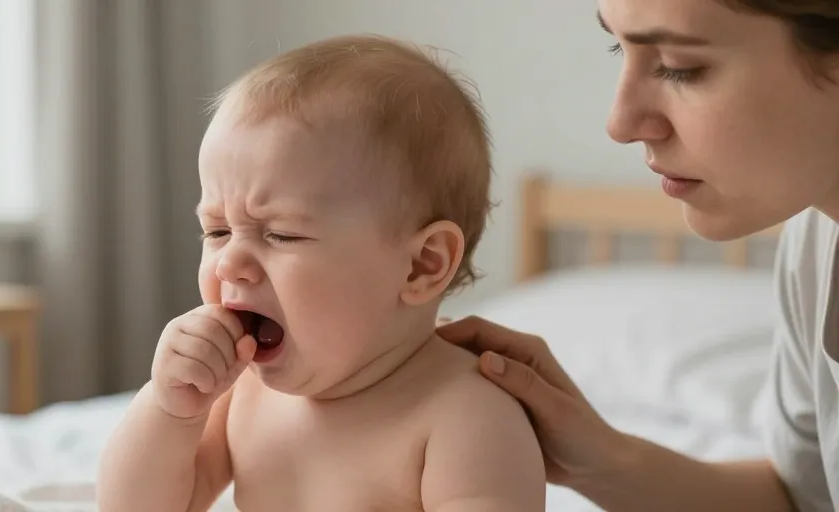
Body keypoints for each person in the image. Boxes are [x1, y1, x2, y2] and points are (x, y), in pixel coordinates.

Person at [96, 34, 546, 512]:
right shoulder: (243, 395)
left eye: (281, 234)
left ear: (422, 265)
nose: (228, 264)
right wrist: (169, 411)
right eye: (217, 231)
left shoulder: (468, 418)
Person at [436, 1, 839, 511]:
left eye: (679, 66)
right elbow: (802, 498)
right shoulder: (816, 243)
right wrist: (599, 457)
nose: (620, 123)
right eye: (617, 48)